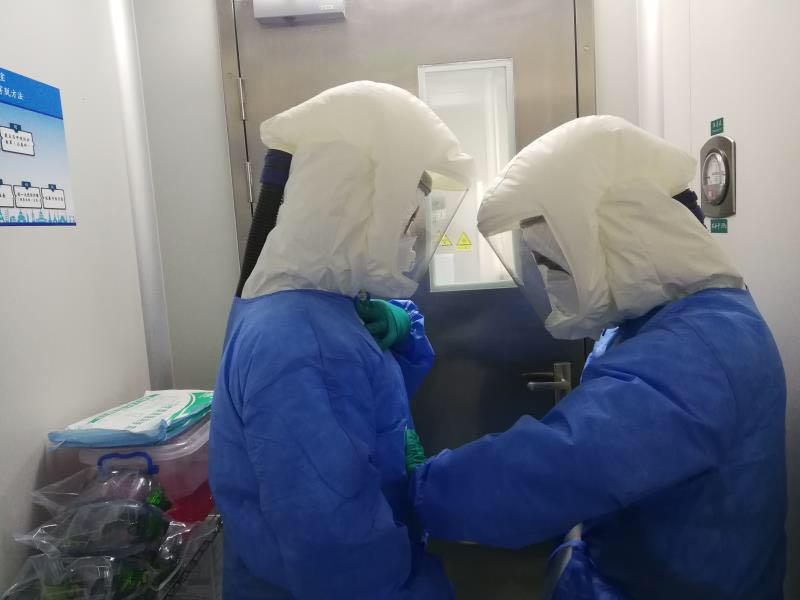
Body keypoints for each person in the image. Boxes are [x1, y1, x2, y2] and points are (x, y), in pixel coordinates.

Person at [408, 116, 786, 599]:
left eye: (554, 265)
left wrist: (418, 490)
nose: (550, 283)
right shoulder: (665, 319)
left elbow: (560, 465)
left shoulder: (701, 349)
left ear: (618, 239)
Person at [209, 81, 473, 599]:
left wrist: (404, 331)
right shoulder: (300, 340)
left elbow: (369, 400)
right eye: (404, 220)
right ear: (352, 208)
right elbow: (337, 551)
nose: (409, 236)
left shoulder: (315, 307)